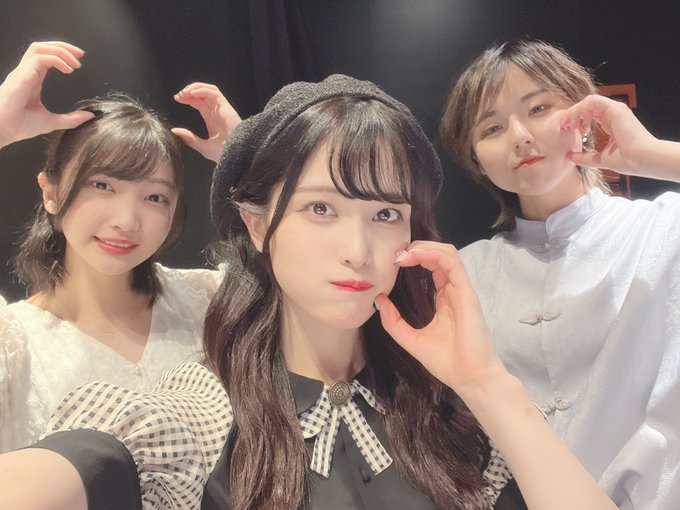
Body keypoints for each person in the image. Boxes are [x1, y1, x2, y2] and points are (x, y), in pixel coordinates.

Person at [0, 73, 616, 510]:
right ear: (258, 226)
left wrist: (487, 385)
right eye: (321, 208)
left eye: (385, 214)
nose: (358, 249)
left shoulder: (447, 412)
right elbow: (82, 466)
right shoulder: (197, 416)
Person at [439, 39, 680, 509]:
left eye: (539, 108)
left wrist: (649, 155)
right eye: (491, 128)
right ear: (477, 159)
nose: (519, 136)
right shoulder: (466, 273)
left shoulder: (664, 229)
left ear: (585, 115)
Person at [0, 42, 236, 452]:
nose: (127, 220)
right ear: (50, 192)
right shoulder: (14, 345)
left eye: (155, 197)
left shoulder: (208, 303)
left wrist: (249, 160)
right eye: (102, 185)